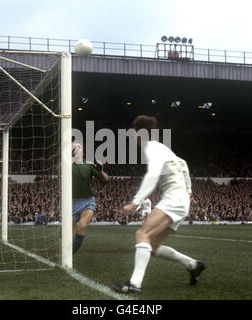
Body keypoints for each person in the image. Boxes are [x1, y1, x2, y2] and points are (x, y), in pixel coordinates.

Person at [111, 115, 205, 294]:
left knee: (142, 234)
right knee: (152, 246)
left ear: (139, 133)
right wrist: (190, 190)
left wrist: (135, 202)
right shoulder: (161, 147)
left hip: (174, 197)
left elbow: (152, 174)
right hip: (180, 199)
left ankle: (134, 284)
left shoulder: (151, 147)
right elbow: (183, 163)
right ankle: (193, 265)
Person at [72, 142, 109, 254]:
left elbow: (106, 180)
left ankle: (73, 251)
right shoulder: (67, 164)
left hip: (87, 201)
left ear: (83, 151)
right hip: (71, 202)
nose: (76, 148)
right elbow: (57, 171)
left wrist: (101, 171)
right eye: (74, 147)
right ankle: (68, 251)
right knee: (68, 232)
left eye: (79, 147)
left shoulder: (88, 164)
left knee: (82, 225)